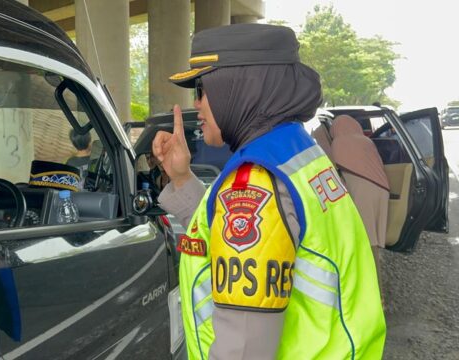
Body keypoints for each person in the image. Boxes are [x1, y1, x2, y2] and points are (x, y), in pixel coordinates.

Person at [153, 23, 385, 359]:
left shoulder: (258, 179)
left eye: (202, 89)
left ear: (239, 87)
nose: (197, 104)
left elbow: (244, 350)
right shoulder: (296, 151)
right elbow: (238, 233)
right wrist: (181, 178)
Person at [330, 114, 390, 299]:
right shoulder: (366, 141)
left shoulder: (339, 143)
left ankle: (375, 296)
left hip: (362, 192)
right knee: (372, 243)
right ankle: (374, 293)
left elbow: (332, 169)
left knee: (366, 245)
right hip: (381, 190)